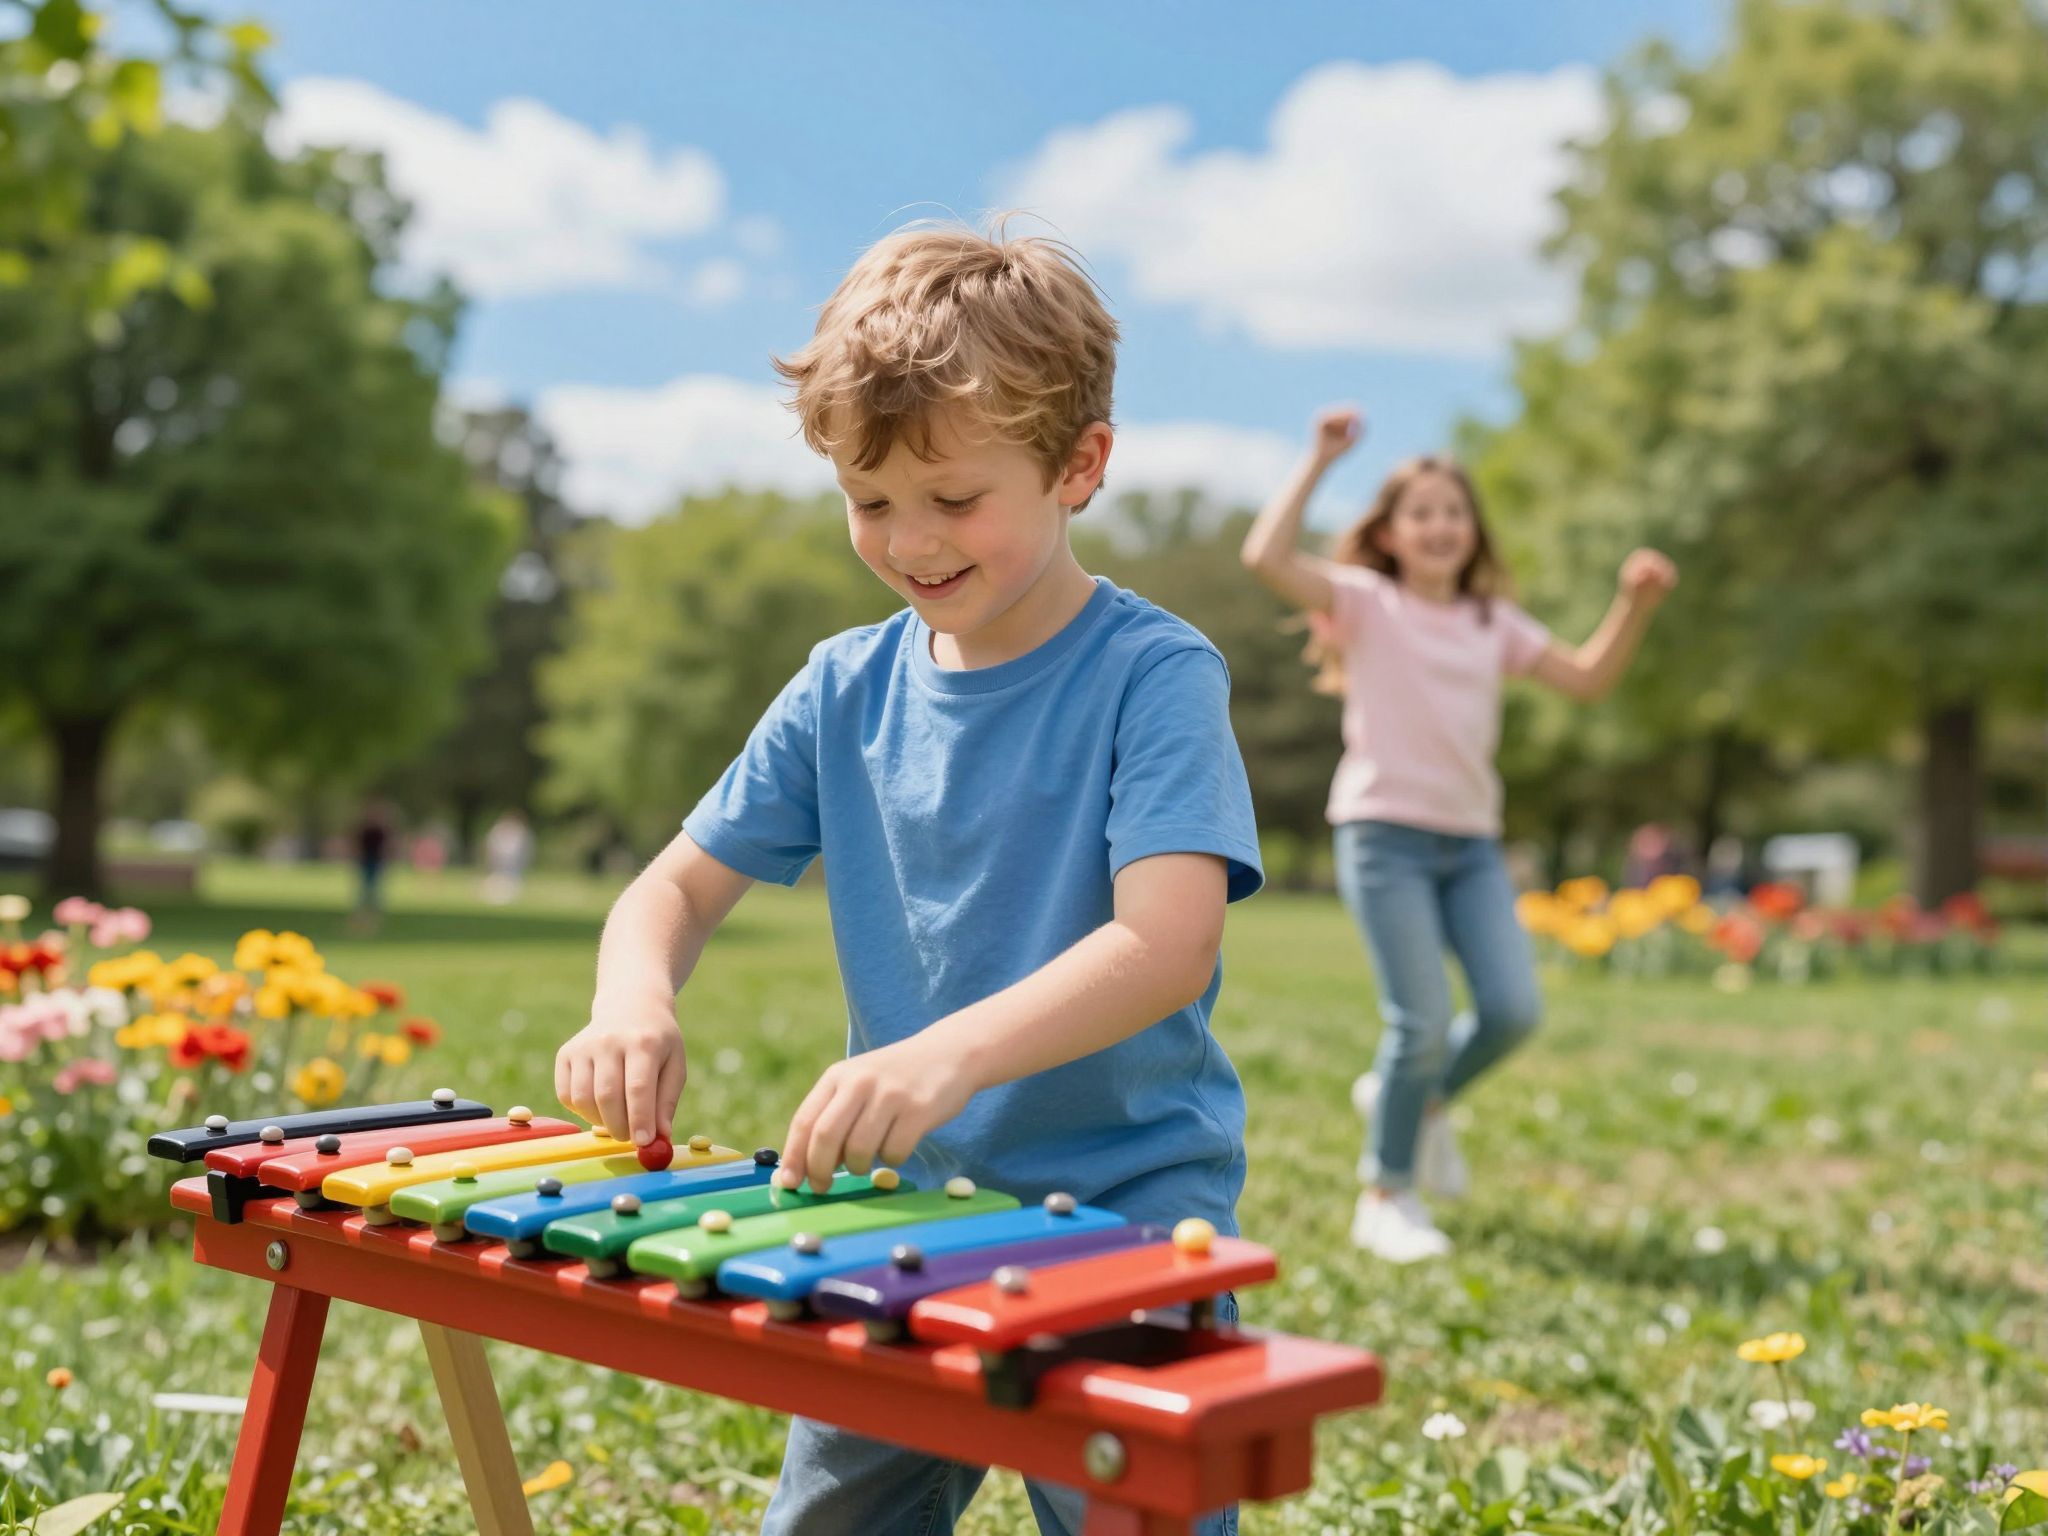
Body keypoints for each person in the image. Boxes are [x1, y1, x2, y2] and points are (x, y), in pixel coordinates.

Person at [552, 222, 1263, 1536]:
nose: (911, 542)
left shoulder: (1153, 676)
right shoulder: (841, 688)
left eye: (954, 500)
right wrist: (630, 1000)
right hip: (897, 1206)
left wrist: (945, 1057)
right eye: (869, 502)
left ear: (1079, 466)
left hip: (1124, 1215)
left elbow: (1166, 944)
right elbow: (669, 893)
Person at [1241, 407, 1675, 1263]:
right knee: (1423, 1018)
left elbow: (1587, 679)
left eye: (1454, 511)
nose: (1441, 525)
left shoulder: (1492, 622)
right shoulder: (1366, 602)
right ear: (1390, 533)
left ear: (1473, 530)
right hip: (1383, 837)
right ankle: (1386, 1193)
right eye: (1422, 513)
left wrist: (1634, 604)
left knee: (1512, 1011)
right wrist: (1320, 460)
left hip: (1471, 845)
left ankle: (1414, 1098)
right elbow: (1266, 558)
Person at [350, 799, 394, 934]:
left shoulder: (380, 830)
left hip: (376, 862)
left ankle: (372, 915)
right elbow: (357, 844)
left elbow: (386, 846)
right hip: (366, 861)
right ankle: (363, 915)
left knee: (374, 890)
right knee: (365, 890)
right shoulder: (365, 828)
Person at [481, 809, 534, 905]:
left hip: (514, 867)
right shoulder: (498, 829)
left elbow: (525, 851)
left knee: (510, 884)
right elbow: (491, 847)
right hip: (499, 865)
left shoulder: (521, 832)